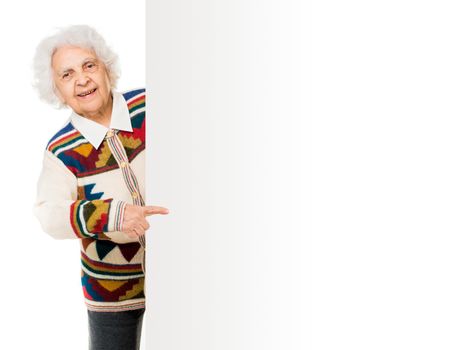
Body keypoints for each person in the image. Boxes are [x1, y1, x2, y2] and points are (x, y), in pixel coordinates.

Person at [32, 25, 168, 350]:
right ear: (58, 90)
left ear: (106, 68)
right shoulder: (61, 149)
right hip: (111, 285)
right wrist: (111, 215)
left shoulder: (150, 105)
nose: (82, 79)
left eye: (89, 65)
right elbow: (49, 215)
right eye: (67, 74)